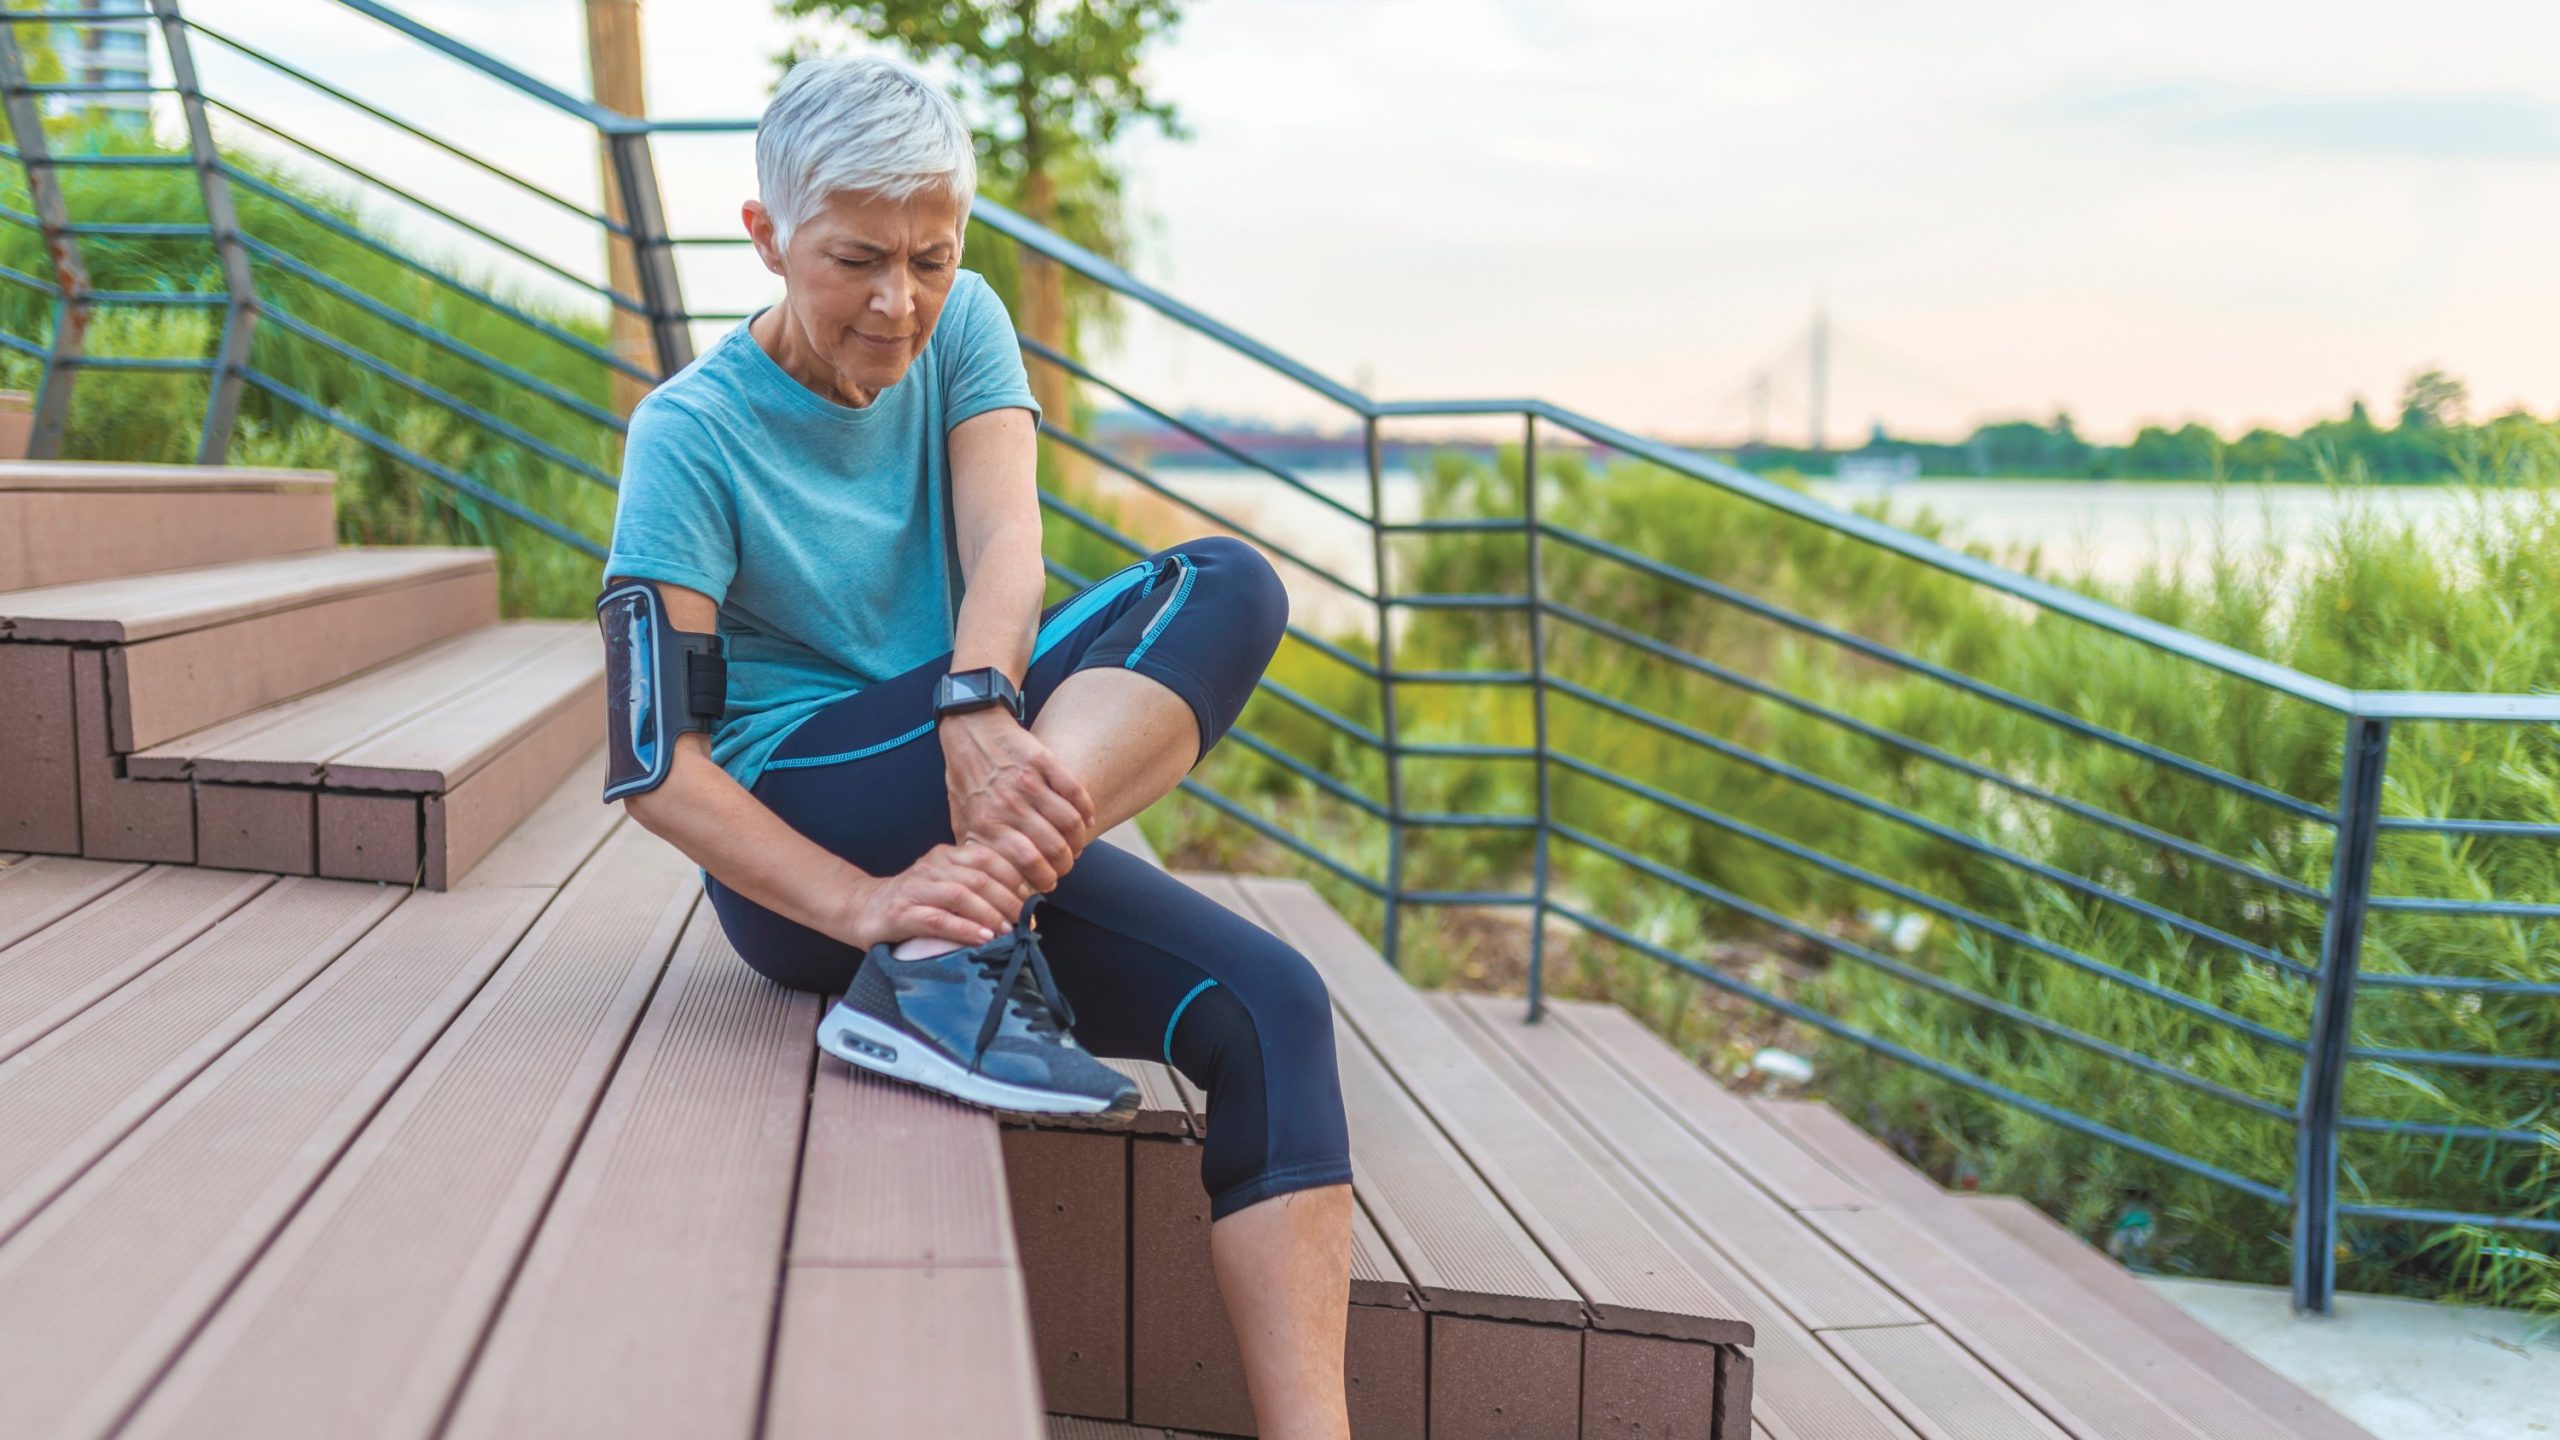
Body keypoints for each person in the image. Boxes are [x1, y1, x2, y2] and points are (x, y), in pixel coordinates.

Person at [600, 52, 1354, 1439]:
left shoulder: (965, 324)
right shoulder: (689, 436)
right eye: (856, 262)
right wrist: (871, 904)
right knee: (1212, 588)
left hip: (961, 810)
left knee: (1277, 1005)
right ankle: (923, 957)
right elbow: (658, 766)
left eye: (931, 258)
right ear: (765, 237)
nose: (900, 303)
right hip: (808, 845)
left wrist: (973, 703)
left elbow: (1009, 536)